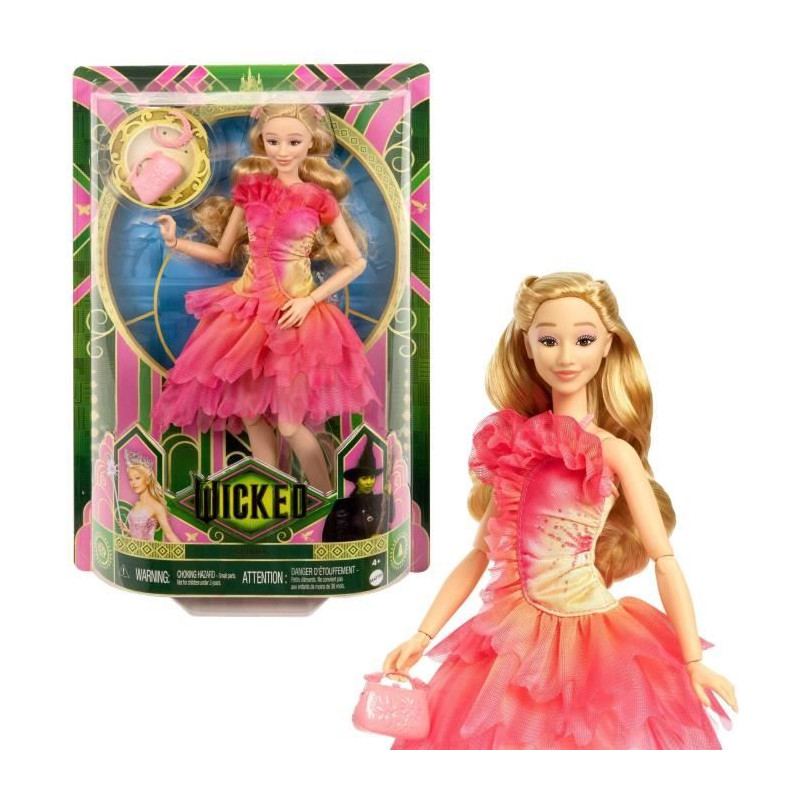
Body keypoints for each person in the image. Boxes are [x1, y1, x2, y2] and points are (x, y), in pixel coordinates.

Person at [383, 272, 737, 749]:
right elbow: (479, 554)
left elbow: (664, 559)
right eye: (549, 340)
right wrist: (422, 635)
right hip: (511, 634)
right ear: (527, 346)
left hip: (592, 633)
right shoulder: (515, 446)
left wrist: (693, 661)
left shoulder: (614, 453)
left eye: (583, 340)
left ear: (607, 344)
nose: (566, 357)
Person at [151, 104, 380, 492]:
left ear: (311, 143)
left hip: (296, 319)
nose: (282, 150)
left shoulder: (318, 198)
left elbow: (356, 262)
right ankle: (272, 497)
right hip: (245, 315)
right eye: (273, 141)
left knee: (290, 424)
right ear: (261, 142)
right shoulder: (251, 192)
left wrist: (310, 300)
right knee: (252, 415)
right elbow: (222, 253)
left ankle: (329, 499)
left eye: (293, 141)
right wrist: (176, 242)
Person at [322, 443, 394, 542]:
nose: (369, 482)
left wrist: (389, 496)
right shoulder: (343, 506)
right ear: (356, 481)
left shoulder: (381, 499)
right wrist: (367, 540)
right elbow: (335, 538)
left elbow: (390, 518)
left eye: (372, 478)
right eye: (364, 478)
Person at [121, 451, 180, 543]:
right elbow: (138, 534)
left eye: (137, 478)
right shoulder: (136, 504)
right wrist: (127, 530)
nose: (133, 483)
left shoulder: (157, 506)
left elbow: (169, 534)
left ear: (148, 480)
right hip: (134, 549)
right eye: (130, 479)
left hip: (147, 550)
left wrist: (186, 550)